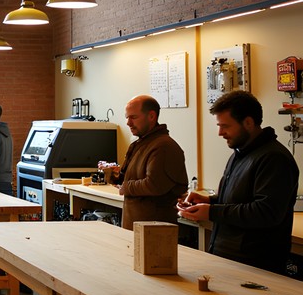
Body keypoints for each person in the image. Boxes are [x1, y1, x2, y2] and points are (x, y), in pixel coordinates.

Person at [178, 90, 299, 273]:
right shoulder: (240, 153)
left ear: (248, 123)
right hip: (229, 258)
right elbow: (238, 200)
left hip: (255, 265)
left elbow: (266, 212)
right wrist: (208, 201)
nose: (220, 133)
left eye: (225, 126)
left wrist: (211, 212)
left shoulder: (274, 158)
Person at [117, 95, 188, 229]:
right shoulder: (141, 143)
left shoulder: (163, 146)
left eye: (133, 117)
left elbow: (155, 184)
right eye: (127, 117)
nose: (128, 123)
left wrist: (126, 187)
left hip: (154, 233)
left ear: (151, 116)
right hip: (136, 228)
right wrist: (116, 176)